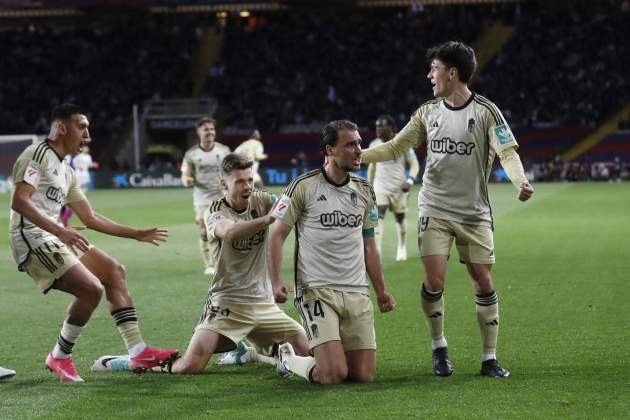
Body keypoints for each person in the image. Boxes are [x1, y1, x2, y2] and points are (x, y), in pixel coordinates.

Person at [361, 41, 534, 378]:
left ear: (452, 73)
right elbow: (396, 146)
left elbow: (507, 152)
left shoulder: (486, 111)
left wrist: (520, 181)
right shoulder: (427, 112)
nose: (430, 75)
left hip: (474, 212)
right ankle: (439, 346)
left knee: (483, 282)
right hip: (434, 208)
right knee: (434, 280)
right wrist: (358, 155)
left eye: (435, 69)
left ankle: (489, 358)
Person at [92, 154, 309, 374]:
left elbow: (289, 207)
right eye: (240, 181)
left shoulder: (262, 200)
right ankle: (133, 362)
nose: (247, 187)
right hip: (227, 302)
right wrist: (266, 220)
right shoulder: (214, 211)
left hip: (263, 303)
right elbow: (229, 232)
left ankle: (252, 352)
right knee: (189, 367)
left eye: (250, 180)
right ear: (223, 183)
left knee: (307, 350)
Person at [9, 103, 178, 382]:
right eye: (82, 126)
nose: (88, 133)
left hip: (53, 233)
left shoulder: (67, 170)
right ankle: (60, 357)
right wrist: (60, 231)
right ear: (62, 128)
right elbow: (19, 201)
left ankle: (139, 351)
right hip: (30, 238)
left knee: (114, 272)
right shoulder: (36, 155)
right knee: (91, 289)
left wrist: (135, 233)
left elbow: (90, 217)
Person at [268, 120, 396, 384]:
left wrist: (381, 290)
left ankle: (323, 355)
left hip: (356, 290)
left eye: (359, 143)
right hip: (317, 289)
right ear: (329, 150)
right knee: (333, 374)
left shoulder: (364, 191)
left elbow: (369, 244)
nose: (359, 149)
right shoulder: (303, 186)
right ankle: (289, 359)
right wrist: (276, 282)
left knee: (363, 375)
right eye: (350, 144)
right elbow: (276, 235)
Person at [181, 117, 231, 275]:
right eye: (206, 129)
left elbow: (232, 170)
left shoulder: (224, 150)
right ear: (198, 132)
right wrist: (187, 180)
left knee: (222, 230)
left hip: (222, 196)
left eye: (212, 129)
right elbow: (185, 175)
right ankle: (209, 265)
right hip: (201, 197)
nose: (209, 132)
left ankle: (223, 261)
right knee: (203, 230)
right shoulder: (192, 154)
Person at [367, 115, 420, 261]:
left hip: (399, 188)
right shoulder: (374, 144)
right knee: (378, 216)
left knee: (400, 218)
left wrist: (409, 180)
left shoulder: (403, 142)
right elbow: (372, 167)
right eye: (377, 126)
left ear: (390, 127)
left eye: (381, 126)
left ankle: (402, 246)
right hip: (380, 187)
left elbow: (414, 164)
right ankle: (377, 251)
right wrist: (369, 187)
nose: (378, 129)